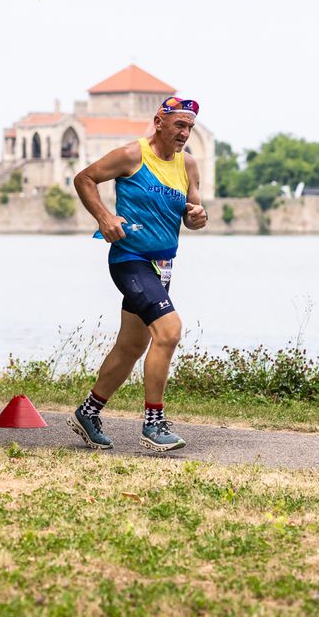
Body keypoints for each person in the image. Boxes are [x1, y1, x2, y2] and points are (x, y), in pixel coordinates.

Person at [68, 96, 208, 451]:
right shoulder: (132, 155)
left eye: (189, 127)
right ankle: (154, 423)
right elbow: (84, 179)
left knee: (132, 345)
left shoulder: (188, 165)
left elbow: (193, 210)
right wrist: (104, 217)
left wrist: (196, 218)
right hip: (129, 260)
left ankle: (88, 411)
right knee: (169, 330)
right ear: (159, 122)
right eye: (179, 125)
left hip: (163, 265)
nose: (185, 133)